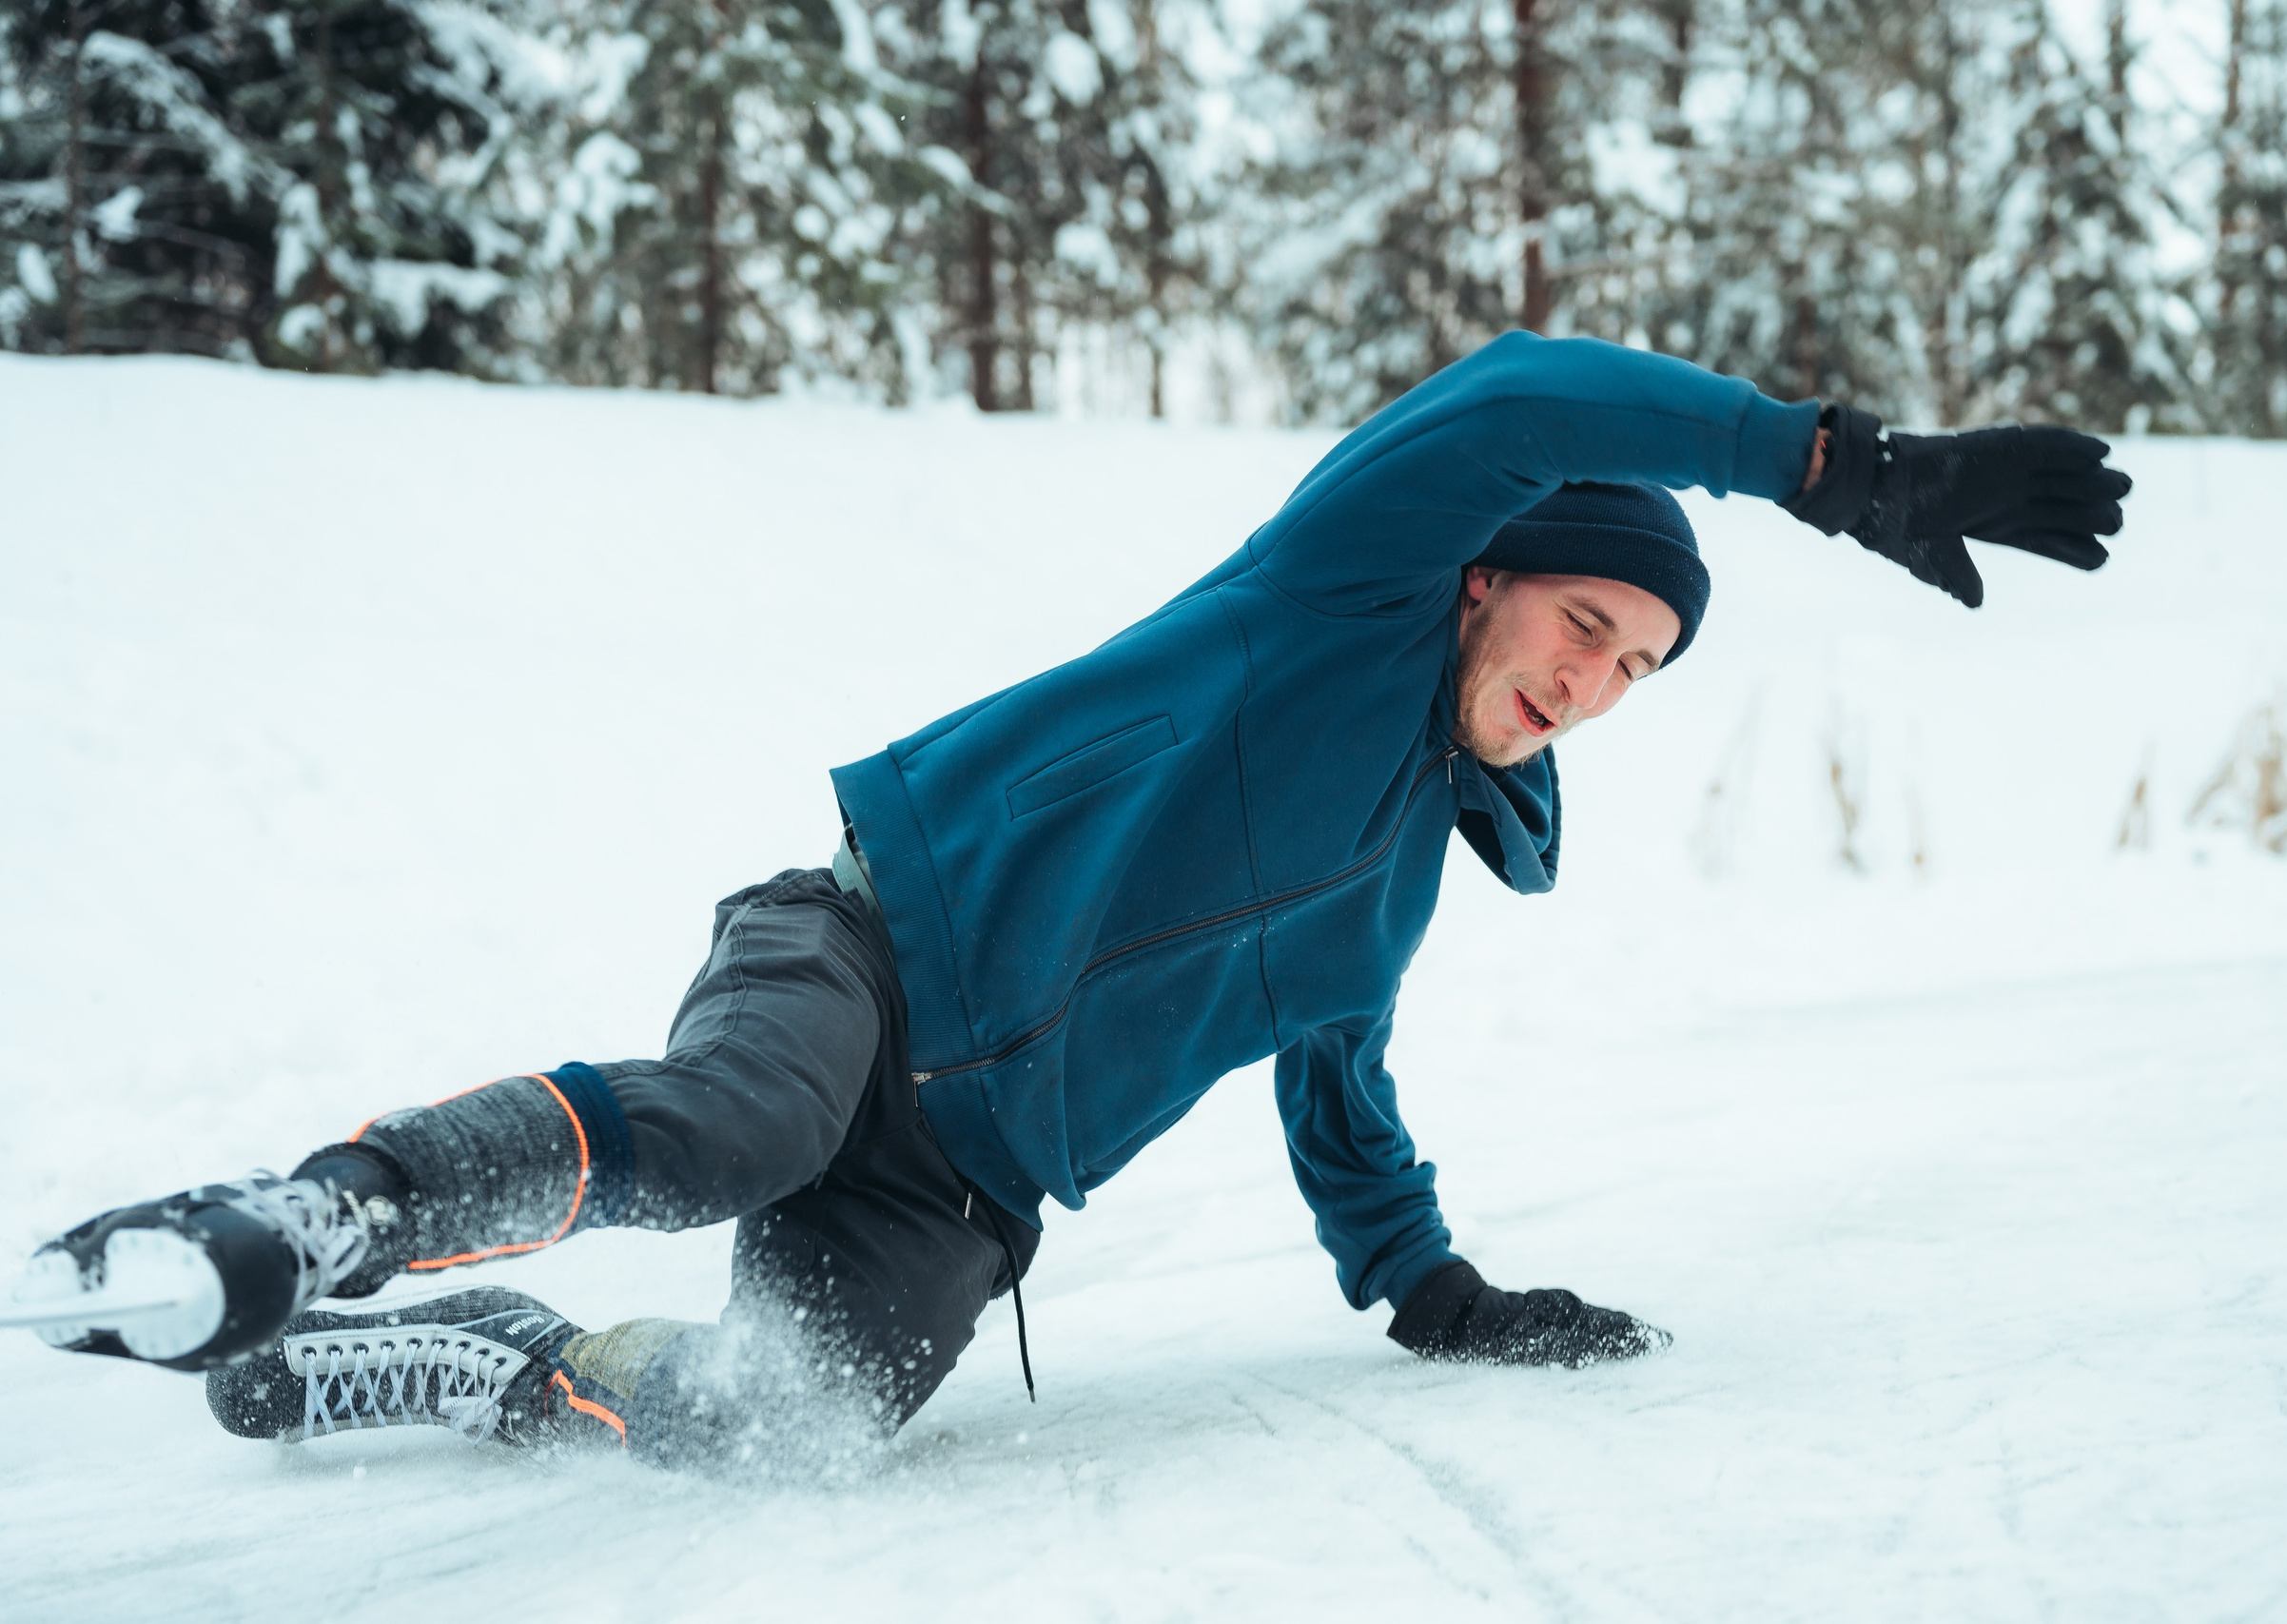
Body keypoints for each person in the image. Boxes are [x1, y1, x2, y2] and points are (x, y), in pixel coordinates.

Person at [12, 333, 2129, 1472]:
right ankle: (320, 1214)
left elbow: (1341, 1097)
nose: (1585, 679)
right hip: (865, 947)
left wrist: (1431, 1289)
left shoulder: (1396, 879)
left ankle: (497, 1362)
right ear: (1482, 574)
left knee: (791, 1426)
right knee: (733, 1116)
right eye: (1580, 617)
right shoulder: (1334, 593)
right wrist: (1821, 464)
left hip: (962, 1185)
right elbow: (1509, 393)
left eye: (1629, 670)